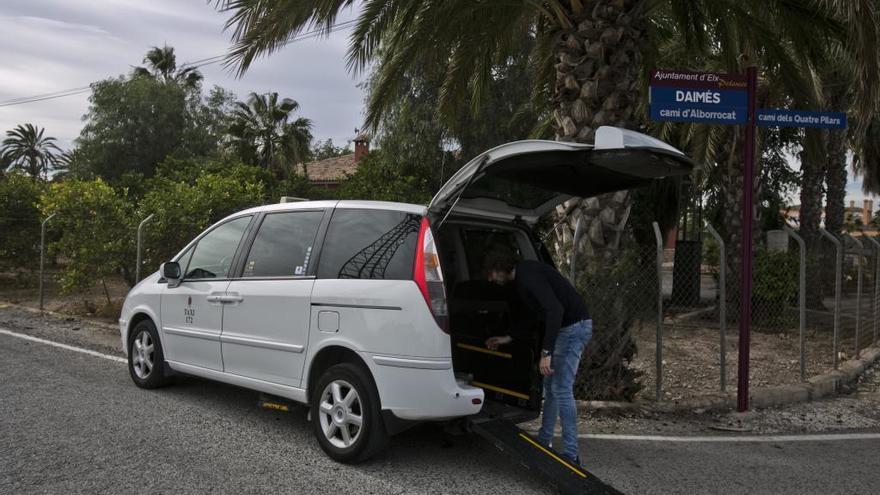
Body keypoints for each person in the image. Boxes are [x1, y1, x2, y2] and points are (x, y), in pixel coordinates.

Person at [483, 247, 592, 464]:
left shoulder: (528, 276)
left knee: (561, 389)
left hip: (572, 328)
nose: (491, 278)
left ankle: (571, 454)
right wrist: (508, 338)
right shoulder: (522, 280)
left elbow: (555, 310)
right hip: (566, 329)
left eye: (492, 273)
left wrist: (546, 352)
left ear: (501, 268)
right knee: (550, 389)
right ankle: (544, 440)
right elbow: (533, 316)